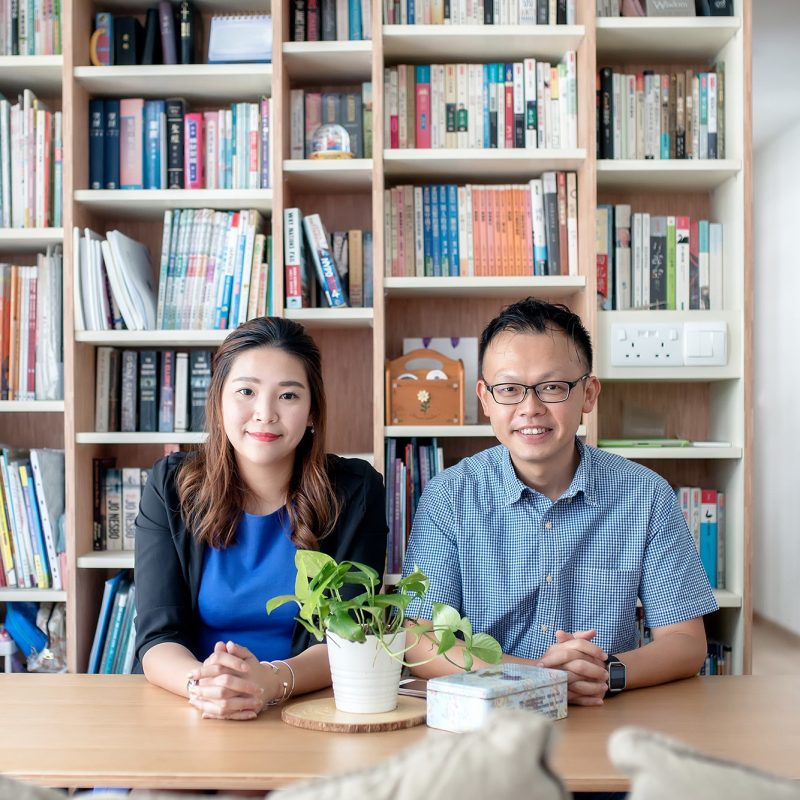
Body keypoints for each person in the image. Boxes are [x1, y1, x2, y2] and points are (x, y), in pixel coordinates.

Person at [402, 298, 718, 706]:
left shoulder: (647, 495)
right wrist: (536, 677)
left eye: (552, 387)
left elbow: (686, 641)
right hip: (489, 717)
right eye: (509, 389)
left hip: (604, 709)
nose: (530, 409)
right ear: (485, 398)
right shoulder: (448, 496)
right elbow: (420, 639)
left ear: (588, 393)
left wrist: (605, 673)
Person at [135, 317, 387, 720]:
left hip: (308, 709)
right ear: (218, 402)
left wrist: (271, 682)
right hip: (192, 705)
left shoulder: (355, 491)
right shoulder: (171, 485)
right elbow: (157, 637)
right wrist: (206, 687)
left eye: (288, 395)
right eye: (246, 391)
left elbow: (349, 638)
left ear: (312, 411)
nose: (265, 413)